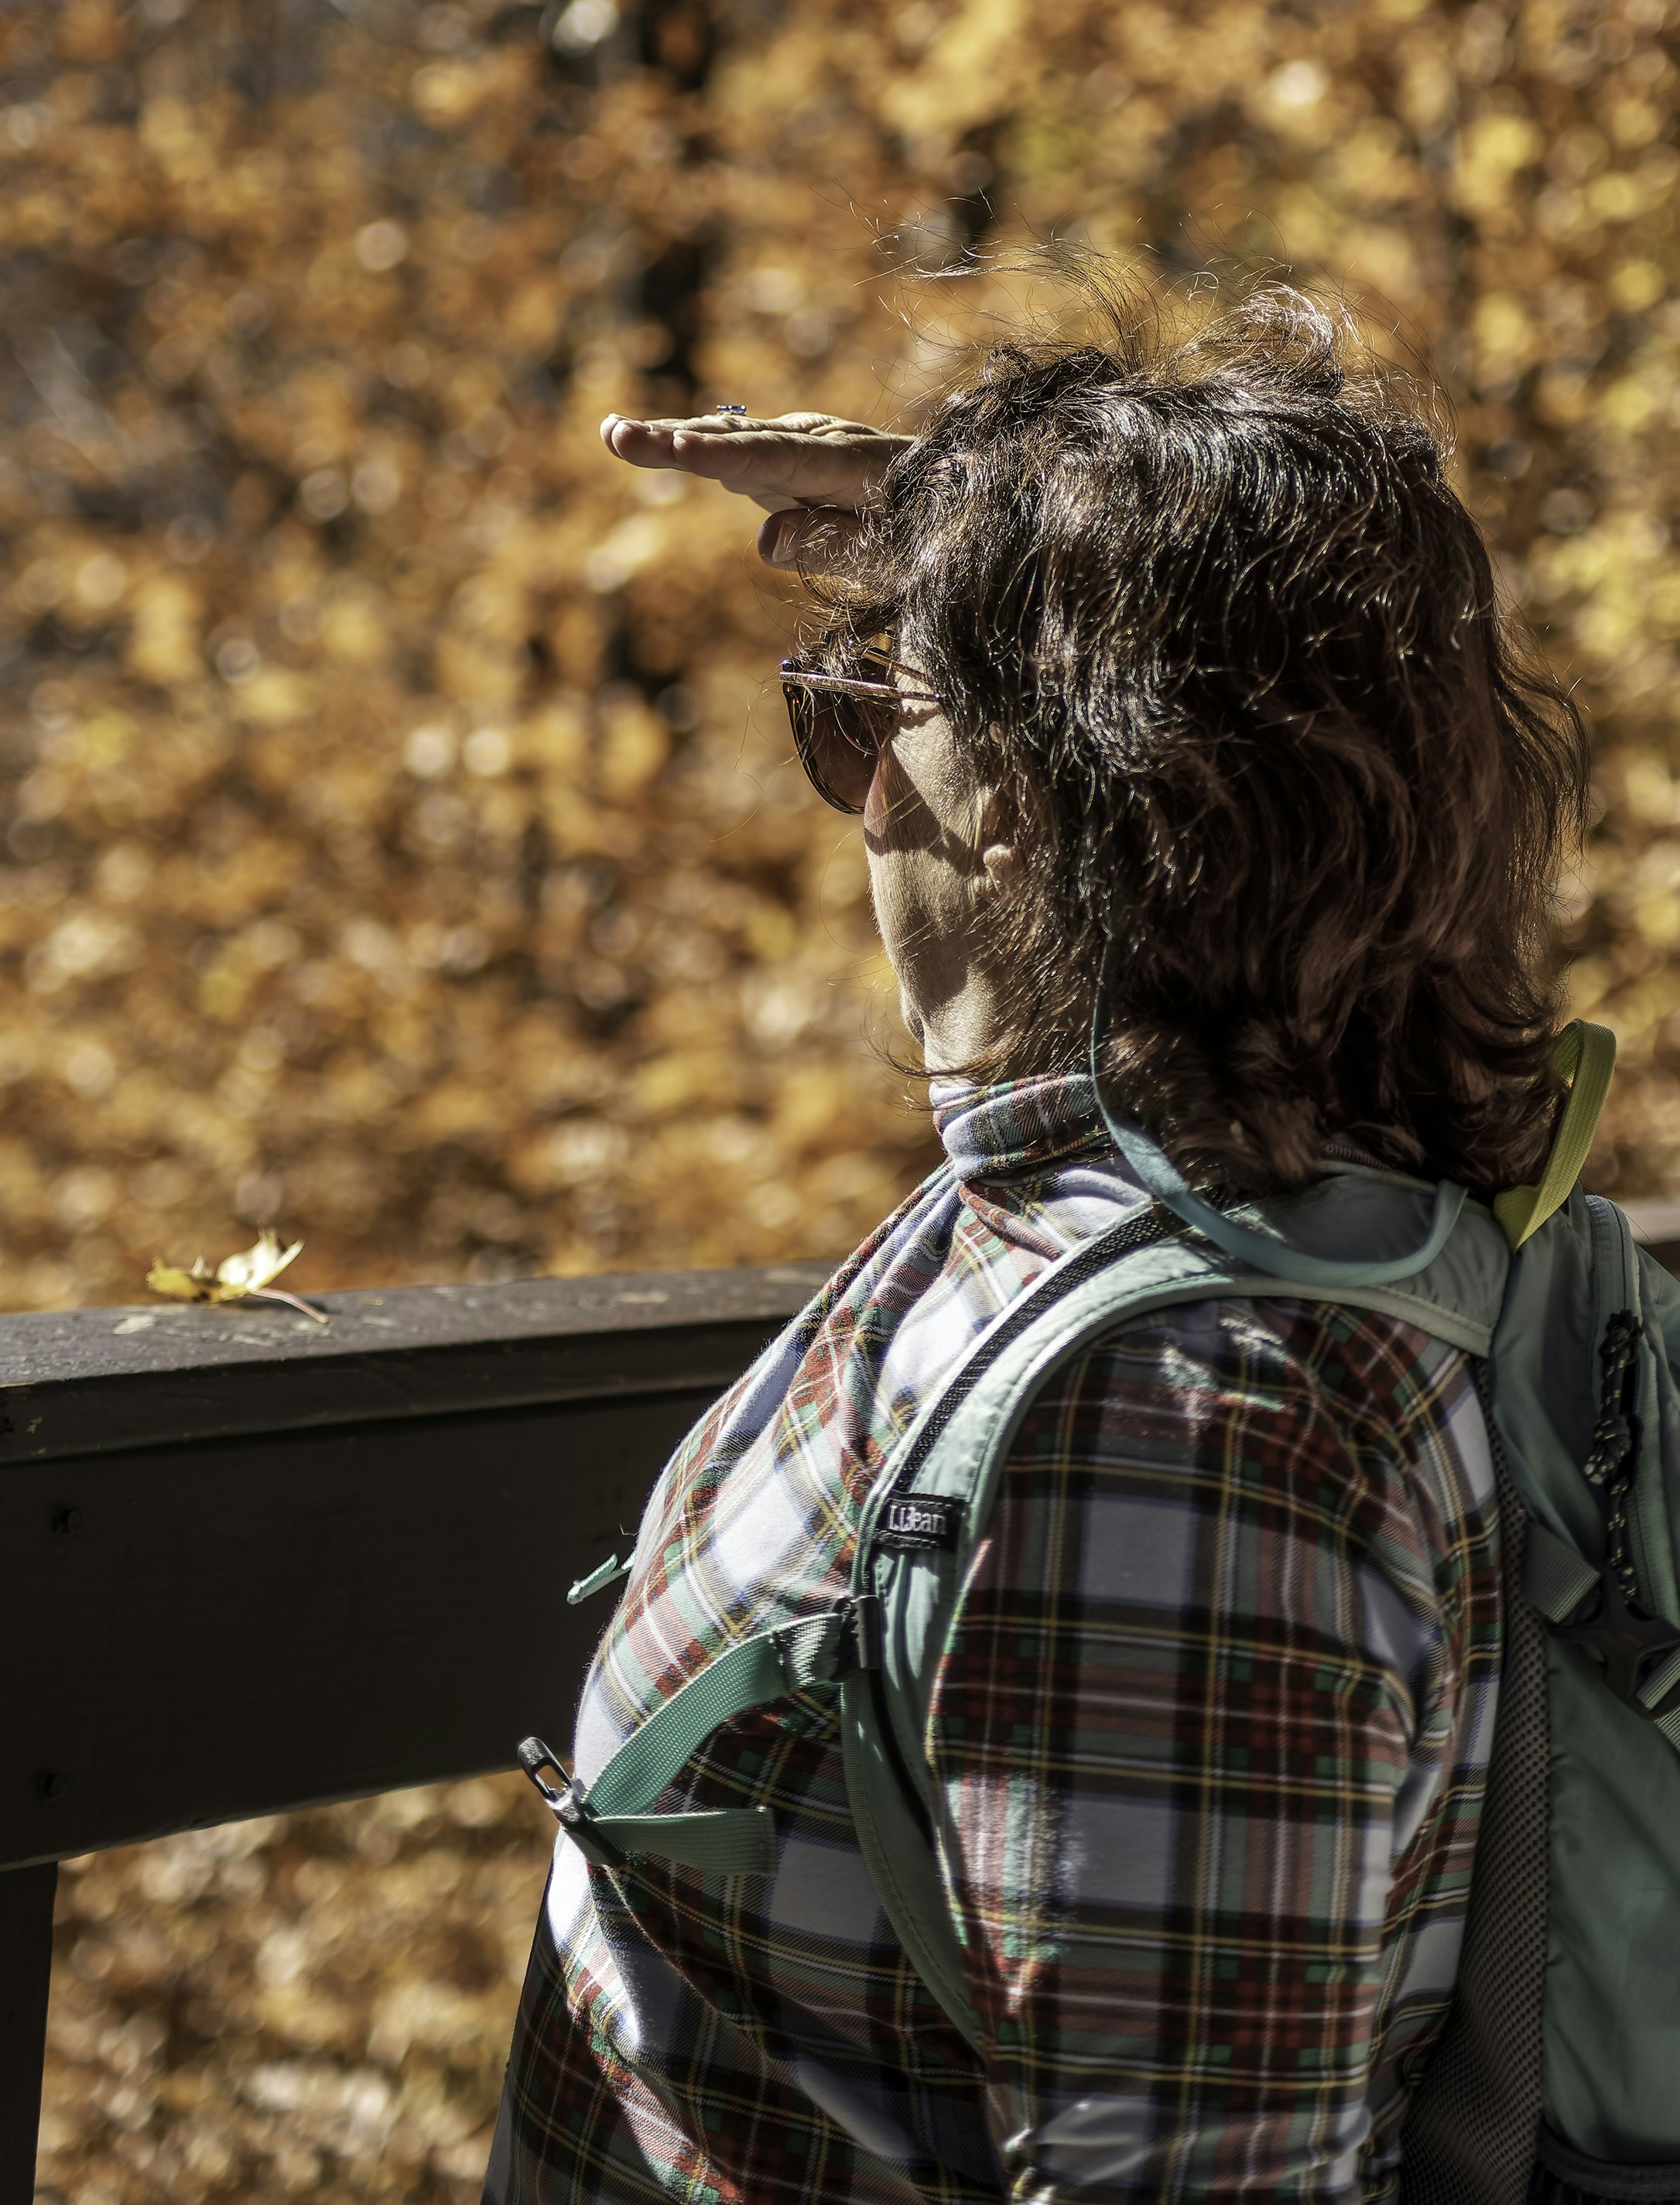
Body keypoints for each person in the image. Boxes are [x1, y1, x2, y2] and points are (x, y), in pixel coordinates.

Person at [484, 283, 1589, 2205]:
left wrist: (1033, 594)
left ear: (1020, 795)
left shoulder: (1169, 1421)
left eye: (866, 721)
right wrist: (1013, 550)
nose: (858, 795)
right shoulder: (1295, 1194)